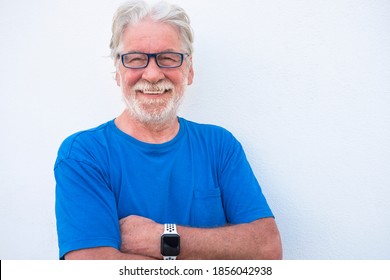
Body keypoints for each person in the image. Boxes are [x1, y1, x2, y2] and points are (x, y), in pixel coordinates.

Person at [54, 0, 282, 260]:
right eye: (136, 59)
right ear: (118, 71)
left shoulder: (219, 146)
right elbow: (91, 268)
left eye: (168, 58)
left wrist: (161, 237)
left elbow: (268, 249)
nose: (152, 74)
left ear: (189, 69)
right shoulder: (84, 155)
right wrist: (219, 248)